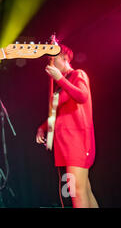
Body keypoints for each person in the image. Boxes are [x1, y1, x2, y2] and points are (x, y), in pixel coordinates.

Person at [36, 44, 98, 208]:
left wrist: (60, 79)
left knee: (77, 191)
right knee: (83, 190)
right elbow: (60, 114)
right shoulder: (60, 86)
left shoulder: (78, 74)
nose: (50, 64)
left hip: (77, 140)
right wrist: (43, 127)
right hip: (64, 143)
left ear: (64, 58)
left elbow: (82, 96)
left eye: (52, 59)